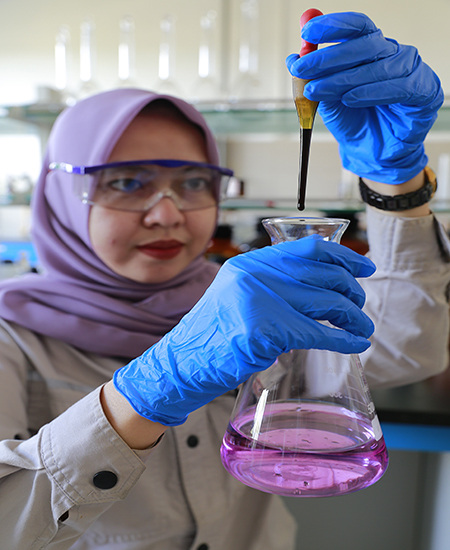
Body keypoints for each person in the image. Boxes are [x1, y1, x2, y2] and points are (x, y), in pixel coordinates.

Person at [0, 11, 448, 550]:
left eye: (194, 182)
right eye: (126, 182)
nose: (167, 214)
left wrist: (397, 182)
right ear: (61, 197)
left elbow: (408, 346)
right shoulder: (12, 337)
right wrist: (145, 391)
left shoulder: (250, 303)